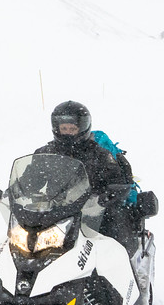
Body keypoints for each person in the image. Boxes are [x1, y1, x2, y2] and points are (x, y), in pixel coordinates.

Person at [39, 100, 156, 248]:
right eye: (64, 128)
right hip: (57, 210)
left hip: (93, 212)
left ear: (82, 127)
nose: (68, 132)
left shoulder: (99, 154)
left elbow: (117, 180)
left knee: (114, 231)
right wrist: (9, 193)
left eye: (72, 128)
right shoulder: (46, 153)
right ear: (56, 128)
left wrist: (108, 195)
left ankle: (120, 265)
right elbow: (30, 178)